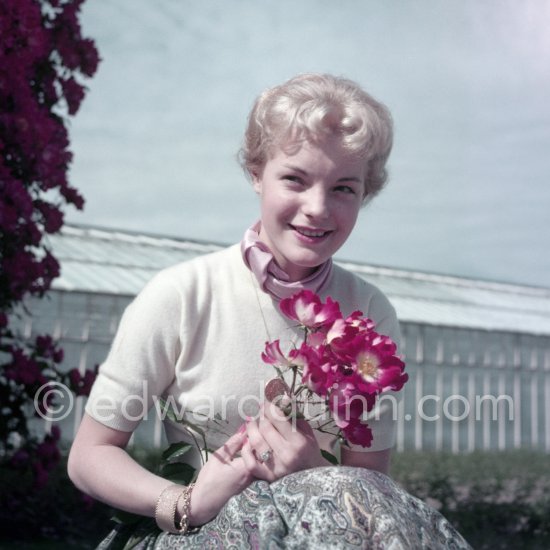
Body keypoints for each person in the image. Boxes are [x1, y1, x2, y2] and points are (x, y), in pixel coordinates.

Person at [68, 73, 471, 549]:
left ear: (366, 194)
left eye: (344, 188)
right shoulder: (182, 294)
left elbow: (367, 485)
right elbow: (90, 455)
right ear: (257, 172)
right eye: (295, 179)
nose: (317, 208)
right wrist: (186, 501)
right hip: (195, 533)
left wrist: (312, 472)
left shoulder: (368, 310)